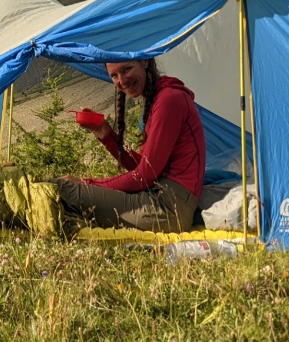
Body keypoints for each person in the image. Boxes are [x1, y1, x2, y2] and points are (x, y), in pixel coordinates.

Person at [56, 58, 205, 234]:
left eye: (126, 69)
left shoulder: (169, 99)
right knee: (59, 189)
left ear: (145, 62)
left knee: (61, 189)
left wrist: (84, 183)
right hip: (162, 199)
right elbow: (144, 165)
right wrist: (106, 135)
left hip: (167, 209)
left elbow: (143, 176)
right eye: (114, 75)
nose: (122, 80)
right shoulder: (160, 97)